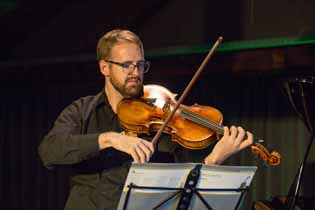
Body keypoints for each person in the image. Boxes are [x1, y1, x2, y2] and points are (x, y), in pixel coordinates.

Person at [38, 29, 253, 210]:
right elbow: (49, 150)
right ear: (105, 67)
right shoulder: (82, 110)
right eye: (126, 65)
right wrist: (110, 139)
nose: (135, 72)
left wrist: (213, 159)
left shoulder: (161, 118)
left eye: (140, 65)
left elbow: (182, 189)